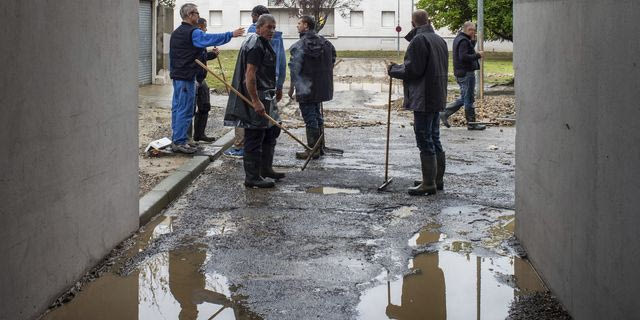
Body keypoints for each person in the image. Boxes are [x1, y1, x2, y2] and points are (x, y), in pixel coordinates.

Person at [388, 10, 448, 196]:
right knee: (434, 136)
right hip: (436, 94)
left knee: (424, 138)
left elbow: (413, 70)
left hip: (424, 97)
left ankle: (428, 184)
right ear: (427, 21)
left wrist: (393, 70)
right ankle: (435, 179)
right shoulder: (439, 40)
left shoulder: (419, 41)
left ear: (412, 23)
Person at [169, 3, 244, 154]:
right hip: (186, 76)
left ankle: (180, 138)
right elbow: (208, 39)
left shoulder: (177, 32)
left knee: (178, 108)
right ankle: (179, 142)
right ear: (190, 15)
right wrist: (230, 34)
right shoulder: (193, 32)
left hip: (178, 75)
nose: (198, 15)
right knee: (185, 109)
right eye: (196, 13)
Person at [223, 14, 284, 188]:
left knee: (271, 132)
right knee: (255, 135)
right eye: (268, 27)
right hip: (256, 97)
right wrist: (256, 101)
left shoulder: (263, 43)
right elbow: (249, 77)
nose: (271, 31)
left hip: (267, 96)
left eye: (273, 27)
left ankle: (265, 169)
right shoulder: (256, 45)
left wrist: (275, 89)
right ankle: (252, 177)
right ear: (258, 28)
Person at [288, 15, 336, 160]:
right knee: (317, 116)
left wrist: (291, 88)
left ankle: (312, 150)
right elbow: (332, 59)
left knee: (310, 117)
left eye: (299, 23)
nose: (297, 26)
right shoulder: (327, 44)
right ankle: (319, 147)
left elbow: (294, 69)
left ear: (306, 26)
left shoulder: (299, 46)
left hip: (306, 88)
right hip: (321, 87)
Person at [440, 21, 486, 131]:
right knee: (468, 99)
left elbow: (467, 49)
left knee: (465, 97)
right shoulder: (463, 40)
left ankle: (444, 113)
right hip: (466, 73)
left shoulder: (461, 39)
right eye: (471, 30)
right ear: (466, 29)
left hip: (462, 73)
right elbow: (464, 57)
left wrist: (473, 41)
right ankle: (471, 123)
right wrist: (478, 55)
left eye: (474, 30)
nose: (473, 32)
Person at [191, 18, 219, 143]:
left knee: (205, 106)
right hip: (192, 79)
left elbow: (202, 57)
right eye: (205, 27)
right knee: (189, 109)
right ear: (200, 27)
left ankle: (199, 134)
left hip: (202, 79)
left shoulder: (201, 43)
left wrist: (213, 54)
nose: (206, 29)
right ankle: (185, 138)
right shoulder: (193, 39)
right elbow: (194, 58)